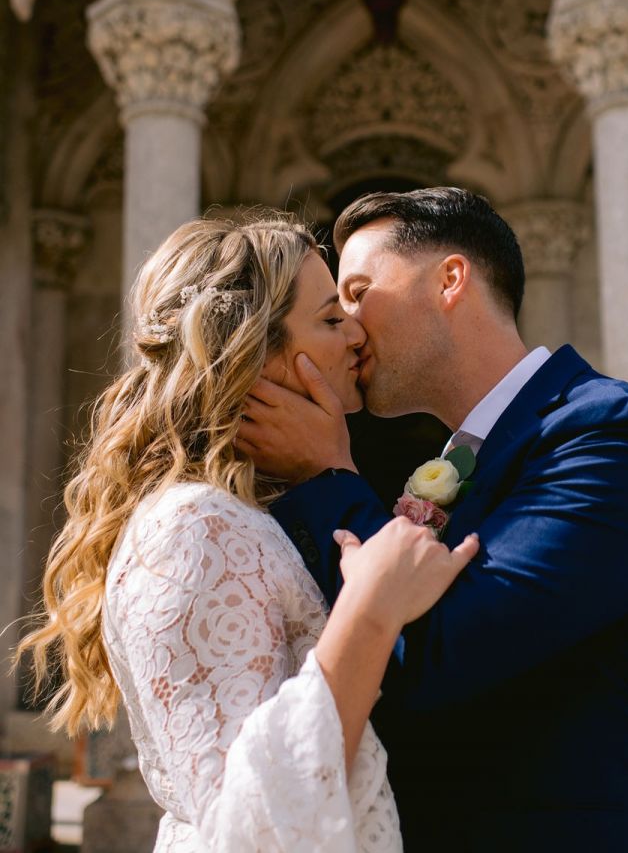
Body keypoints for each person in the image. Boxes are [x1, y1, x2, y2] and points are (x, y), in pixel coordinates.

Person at [238, 187, 628, 853]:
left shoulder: (610, 433)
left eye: (359, 291)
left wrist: (327, 471)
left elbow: (439, 654)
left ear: (450, 279)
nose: (351, 328)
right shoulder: (459, 460)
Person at [16, 214, 479, 853]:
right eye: (328, 318)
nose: (356, 333)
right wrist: (371, 612)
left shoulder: (248, 513)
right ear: (251, 351)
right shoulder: (195, 530)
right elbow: (245, 829)